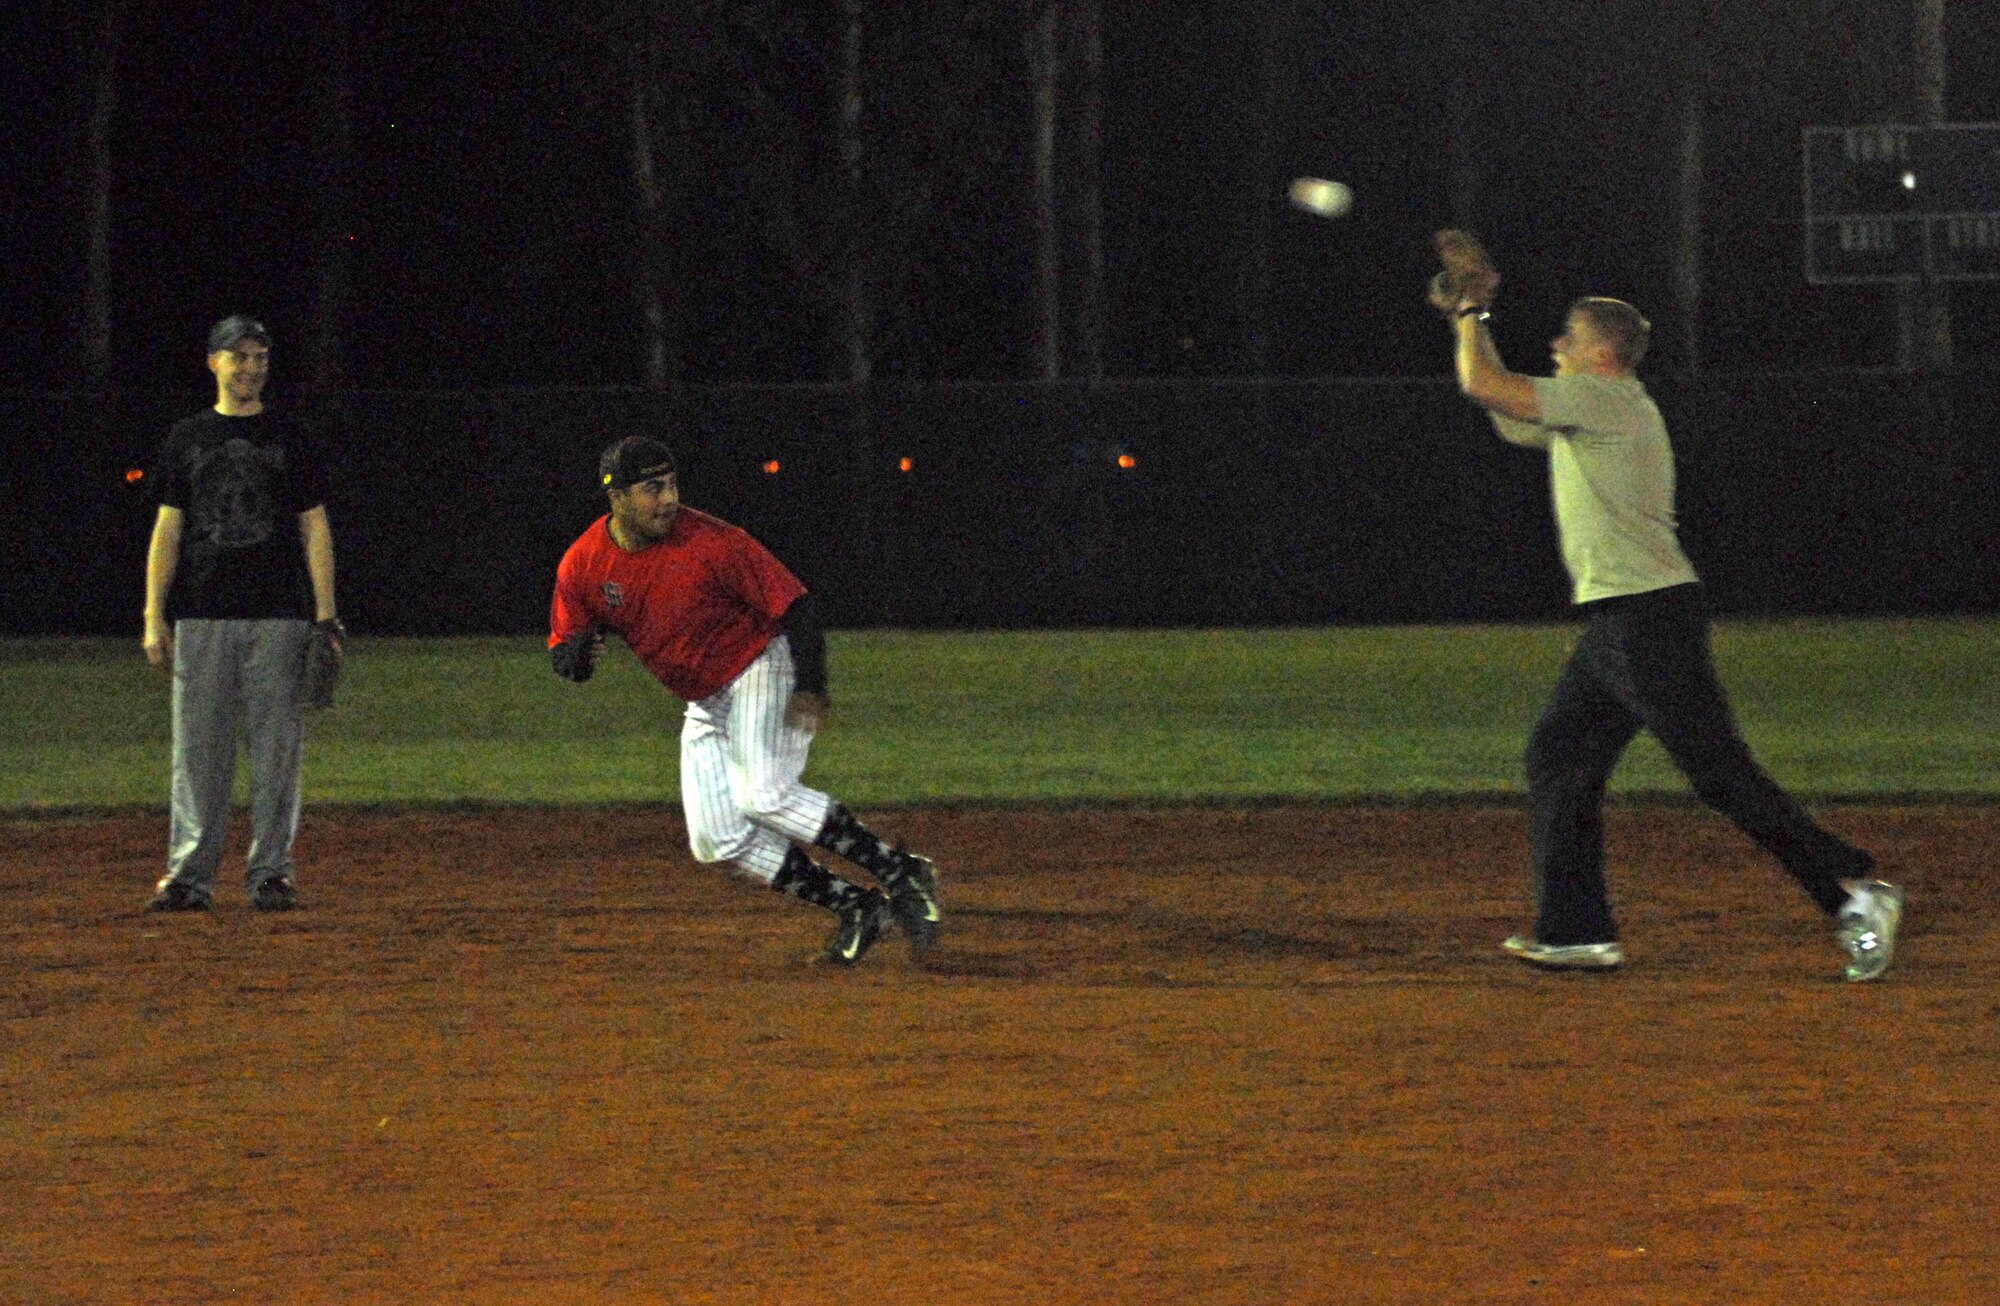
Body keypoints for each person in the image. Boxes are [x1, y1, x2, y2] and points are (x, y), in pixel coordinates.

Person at [1445, 284, 1904, 981]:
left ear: (1601, 354)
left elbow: (1486, 385)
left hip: (1646, 619)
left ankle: (1849, 890)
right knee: (1558, 756)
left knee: (1719, 772)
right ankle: (1575, 931)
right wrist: (1468, 325)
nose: (1556, 346)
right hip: (1622, 622)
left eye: (1568, 336)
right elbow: (1504, 411)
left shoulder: (1602, 397)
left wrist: (1470, 314)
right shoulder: (1599, 408)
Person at [548, 436, 942, 965]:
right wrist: (574, 659)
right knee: (717, 838)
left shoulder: (713, 542)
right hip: (705, 700)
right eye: (651, 488)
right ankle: (856, 905)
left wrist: (811, 684)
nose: (668, 498)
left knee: (763, 794)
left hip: (762, 665)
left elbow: (796, 606)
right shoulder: (583, 565)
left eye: (671, 484)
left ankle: (900, 870)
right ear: (615, 497)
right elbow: (566, 652)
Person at [142, 315, 341, 912]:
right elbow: (167, 530)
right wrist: (155, 615)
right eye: (239, 355)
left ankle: (271, 872)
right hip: (201, 614)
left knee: (276, 750)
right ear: (213, 362)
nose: (251, 366)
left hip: (279, 614)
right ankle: (188, 876)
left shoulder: (291, 436)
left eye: (259, 356)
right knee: (198, 752)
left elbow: (314, 526)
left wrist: (324, 616)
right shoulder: (188, 437)